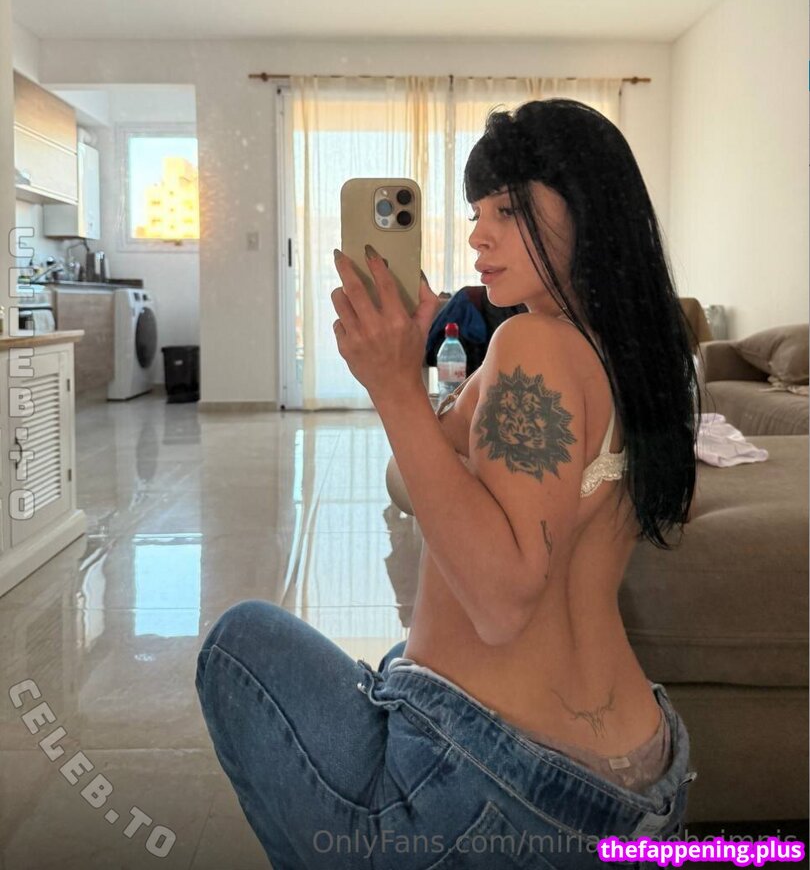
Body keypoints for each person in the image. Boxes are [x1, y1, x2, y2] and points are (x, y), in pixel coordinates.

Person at [196, 99, 703, 868]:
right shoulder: (629, 354)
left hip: (507, 789)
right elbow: (418, 477)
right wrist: (412, 369)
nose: (478, 235)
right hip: (643, 779)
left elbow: (502, 600)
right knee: (397, 657)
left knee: (238, 645)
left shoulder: (534, 345)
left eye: (509, 208)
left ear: (589, 208)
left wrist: (396, 389)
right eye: (476, 212)